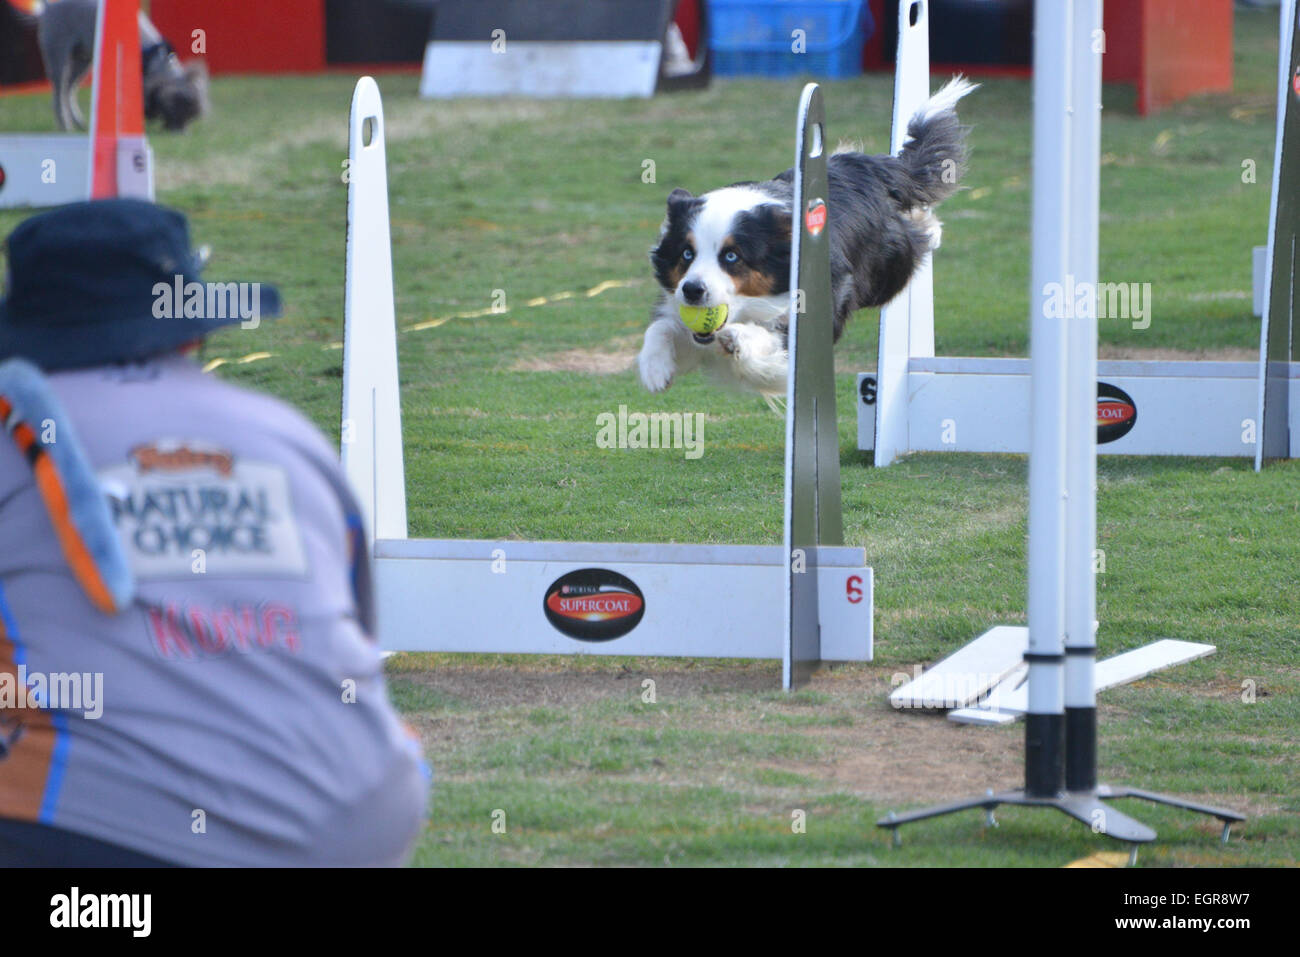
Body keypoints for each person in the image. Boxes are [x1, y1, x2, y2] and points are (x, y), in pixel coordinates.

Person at [0, 198, 428, 866]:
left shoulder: (16, 436)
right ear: (193, 329)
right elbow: (353, 636)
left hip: (114, 833)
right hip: (361, 811)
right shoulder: (287, 434)